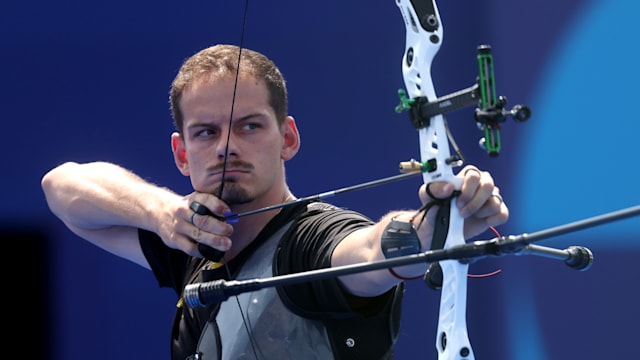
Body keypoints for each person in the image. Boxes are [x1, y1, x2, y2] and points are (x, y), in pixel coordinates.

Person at [41, 44, 508, 360]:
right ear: (182, 154)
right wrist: (161, 212)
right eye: (206, 132)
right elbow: (62, 188)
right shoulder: (193, 242)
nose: (227, 146)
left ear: (287, 138)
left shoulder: (311, 241)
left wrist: (434, 228)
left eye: (249, 126)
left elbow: (370, 252)